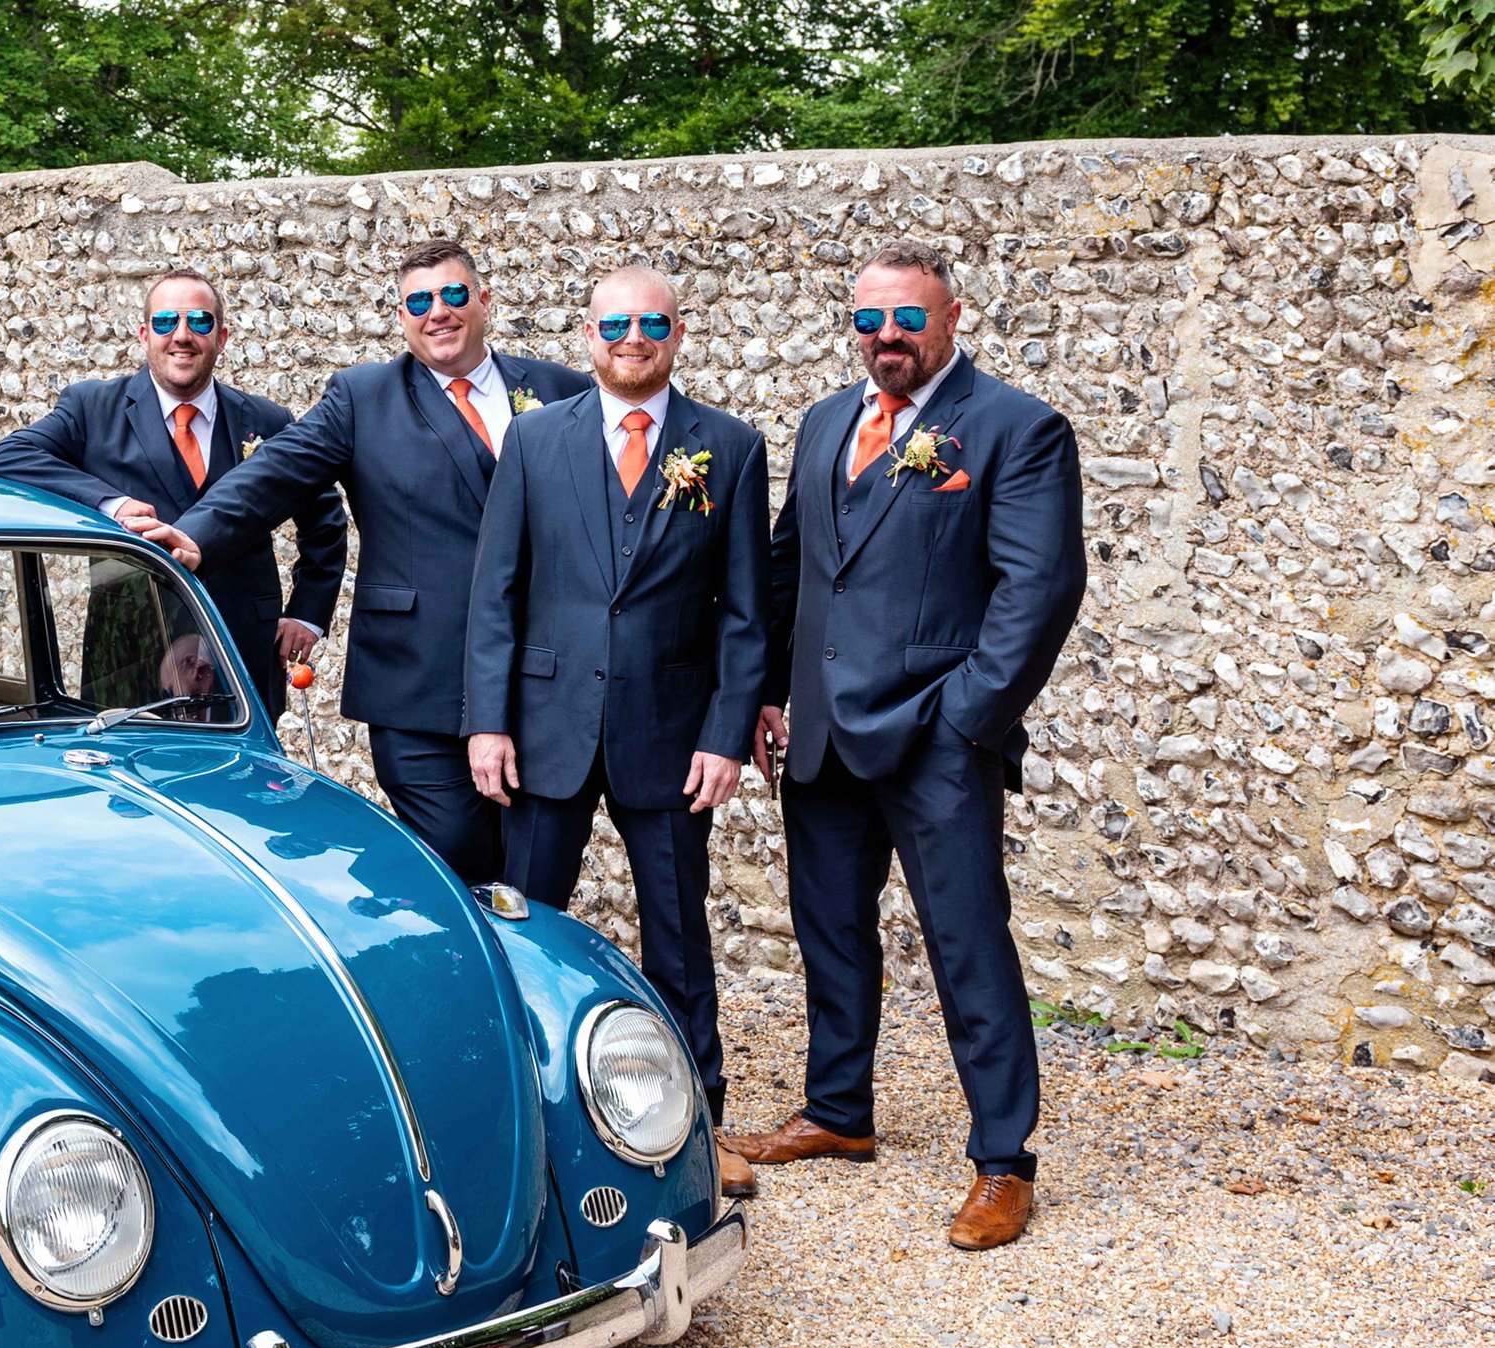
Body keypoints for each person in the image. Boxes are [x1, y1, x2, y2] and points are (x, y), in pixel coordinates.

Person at [730, 239, 1085, 1251]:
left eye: (906, 318)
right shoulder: (826, 420)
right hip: (820, 732)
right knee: (829, 929)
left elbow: (1040, 589)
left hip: (936, 735)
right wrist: (765, 691)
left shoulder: (1016, 427)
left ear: (952, 316)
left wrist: (966, 718)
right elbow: (792, 565)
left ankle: (1003, 1160)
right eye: (868, 320)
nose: (886, 337)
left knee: (966, 941)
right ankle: (838, 1110)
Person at [463, 267, 770, 1199]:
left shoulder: (730, 446)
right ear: (587, 330)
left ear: (678, 332)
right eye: (615, 322)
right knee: (524, 927)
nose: (633, 337)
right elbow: (496, 593)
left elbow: (746, 614)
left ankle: (702, 1123)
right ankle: (524, 1122)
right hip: (546, 726)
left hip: (672, 734)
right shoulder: (532, 438)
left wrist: (724, 735)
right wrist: (488, 723)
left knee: (678, 933)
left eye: (652, 323)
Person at [168, 240, 593, 884]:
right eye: (419, 301)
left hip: (543, 681)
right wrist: (195, 536)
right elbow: (275, 473)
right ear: (401, 316)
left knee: (541, 877)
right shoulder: (362, 397)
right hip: (418, 683)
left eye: (453, 295)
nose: (438, 312)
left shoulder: (561, 391)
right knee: (455, 860)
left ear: (484, 300)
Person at [0, 268, 348, 718]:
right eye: (165, 323)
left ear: (222, 336)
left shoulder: (266, 419)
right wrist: (110, 503)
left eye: (199, 322)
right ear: (143, 334)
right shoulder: (93, 408)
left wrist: (307, 613)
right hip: (131, 644)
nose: (182, 336)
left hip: (244, 642)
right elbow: (9, 456)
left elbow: (325, 517)